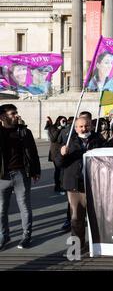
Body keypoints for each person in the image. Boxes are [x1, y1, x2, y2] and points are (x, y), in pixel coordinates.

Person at [55, 117, 103, 252]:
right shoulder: (69, 141)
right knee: (76, 218)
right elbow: (59, 164)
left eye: (86, 126)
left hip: (95, 185)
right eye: (80, 126)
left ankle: (97, 245)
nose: (84, 129)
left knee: (97, 218)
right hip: (75, 186)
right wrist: (62, 154)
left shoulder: (99, 140)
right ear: (75, 128)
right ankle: (77, 247)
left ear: (91, 126)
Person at [0, 104, 40, 250]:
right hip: (2, 176)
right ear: (3, 116)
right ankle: (4, 236)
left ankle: (26, 235)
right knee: (1, 209)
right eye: (12, 113)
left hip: (21, 174)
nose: (16, 115)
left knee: (24, 207)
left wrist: (36, 171)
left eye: (16, 113)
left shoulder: (24, 132)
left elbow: (33, 153)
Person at [45, 115, 67, 194]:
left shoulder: (65, 128)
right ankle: (58, 186)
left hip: (64, 152)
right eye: (62, 121)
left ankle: (62, 185)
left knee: (63, 170)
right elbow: (53, 138)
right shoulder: (52, 128)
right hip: (55, 153)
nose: (64, 122)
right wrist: (59, 127)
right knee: (58, 170)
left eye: (65, 121)